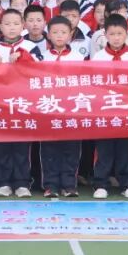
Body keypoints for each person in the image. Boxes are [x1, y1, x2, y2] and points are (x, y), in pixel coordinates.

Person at [0, 8, 39, 198]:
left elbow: (40, 68)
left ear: (23, 26)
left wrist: (24, 58)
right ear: (0, 26)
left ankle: (22, 182)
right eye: (7, 24)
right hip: (0, 104)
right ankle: (3, 182)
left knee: (22, 145)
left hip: (23, 104)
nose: (11, 27)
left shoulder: (30, 46)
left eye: (16, 24)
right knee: (2, 145)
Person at [89, 14, 128, 199]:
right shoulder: (99, 57)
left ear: (127, 34)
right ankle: (100, 183)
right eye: (112, 34)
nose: (116, 38)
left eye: (120, 34)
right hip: (105, 110)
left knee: (125, 148)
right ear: (105, 35)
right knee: (104, 149)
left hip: (126, 110)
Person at [38, 16, 87, 198]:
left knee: (71, 149)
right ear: (48, 35)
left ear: (71, 34)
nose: (59, 36)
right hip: (48, 109)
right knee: (49, 149)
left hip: (72, 109)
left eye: (63, 32)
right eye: (55, 32)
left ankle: (69, 185)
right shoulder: (41, 57)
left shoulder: (79, 57)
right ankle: (50, 185)